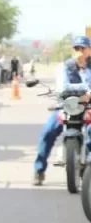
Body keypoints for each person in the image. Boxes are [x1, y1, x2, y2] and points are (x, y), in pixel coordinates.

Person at [33, 35, 91, 186]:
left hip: (89, 107)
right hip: (68, 105)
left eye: (83, 48)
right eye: (76, 48)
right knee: (48, 132)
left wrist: (85, 76)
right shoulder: (65, 66)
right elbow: (64, 87)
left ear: (89, 50)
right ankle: (39, 169)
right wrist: (85, 90)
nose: (80, 51)